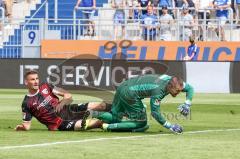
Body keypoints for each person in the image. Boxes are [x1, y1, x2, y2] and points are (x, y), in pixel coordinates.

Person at [89, 74, 194, 133]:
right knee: (142, 123)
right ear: (170, 87)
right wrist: (170, 126)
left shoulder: (171, 80)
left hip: (123, 86)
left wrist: (187, 103)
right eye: (177, 91)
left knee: (116, 117)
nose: (179, 93)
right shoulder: (158, 91)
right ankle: (107, 127)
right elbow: (155, 113)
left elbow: (190, 88)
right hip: (130, 94)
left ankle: (92, 114)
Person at [15, 70, 107, 131]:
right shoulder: (27, 103)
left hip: (69, 109)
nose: (36, 81)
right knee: (98, 123)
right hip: (62, 123)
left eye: (37, 78)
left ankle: (119, 111)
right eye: (32, 79)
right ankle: (116, 124)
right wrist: (21, 127)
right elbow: (27, 126)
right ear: (26, 82)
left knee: (101, 106)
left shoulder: (46, 86)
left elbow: (68, 95)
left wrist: (61, 104)